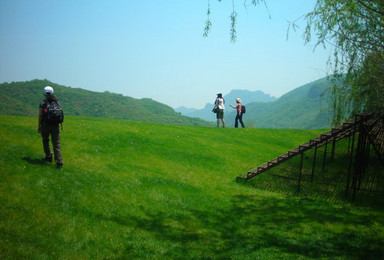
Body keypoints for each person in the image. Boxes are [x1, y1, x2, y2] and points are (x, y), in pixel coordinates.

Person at [38, 86, 64, 168]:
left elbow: (40, 115)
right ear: (52, 93)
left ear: (44, 93)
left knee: (45, 140)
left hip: (45, 125)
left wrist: (39, 126)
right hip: (55, 126)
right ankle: (59, 162)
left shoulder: (43, 103)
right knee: (56, 144)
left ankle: (48, 157)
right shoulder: (57, 103)